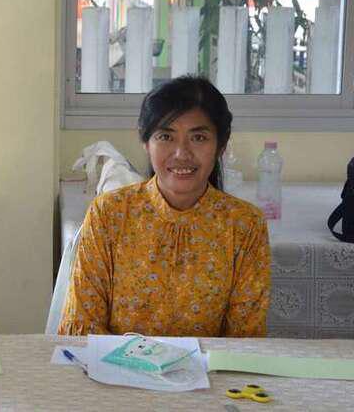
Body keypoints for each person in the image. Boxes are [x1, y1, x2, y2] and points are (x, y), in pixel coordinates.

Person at [58, 75, 270, 337]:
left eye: (199, 137)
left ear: (221, 146)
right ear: (146, 143)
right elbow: (82, 327)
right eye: (166, 136)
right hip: (114, 363)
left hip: (209, 365)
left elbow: (245, 338)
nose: (181, 153)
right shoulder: (109, 213)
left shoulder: (245, 225)